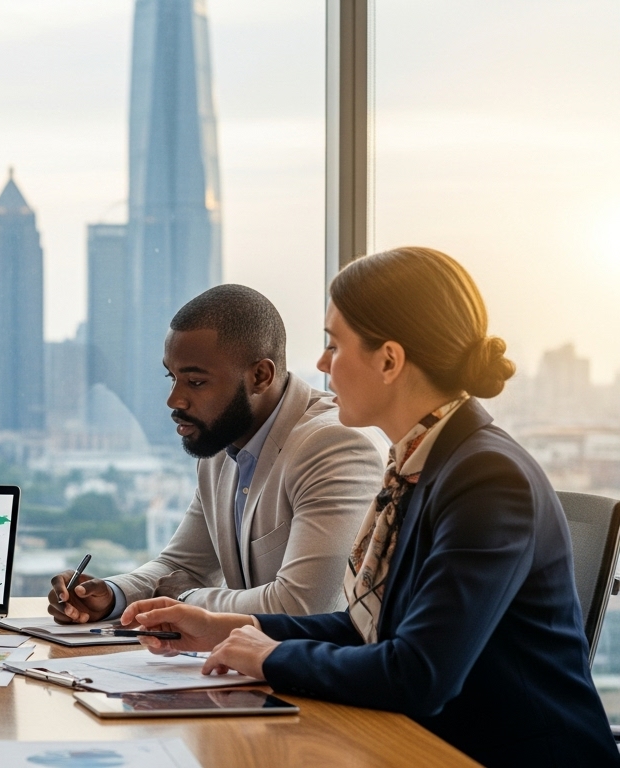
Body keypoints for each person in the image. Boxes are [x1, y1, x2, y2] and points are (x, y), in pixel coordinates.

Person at [125, 248, 618, 767]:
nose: (320, 365)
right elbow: (370, 629)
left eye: (334, 345)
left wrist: (270, 657)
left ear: (389, 360)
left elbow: (418, 673)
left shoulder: (486, 479)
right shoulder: (420, 464)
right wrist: (220, 628)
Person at [48, 285, 384, 621]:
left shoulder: (335, 446)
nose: (174, 400)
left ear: (260, 376)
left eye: (195, 382)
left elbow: (303, 607)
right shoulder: (223, 444)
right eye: (172, 377)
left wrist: (183, 599)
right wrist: (111, 595)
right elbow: (183, 565)